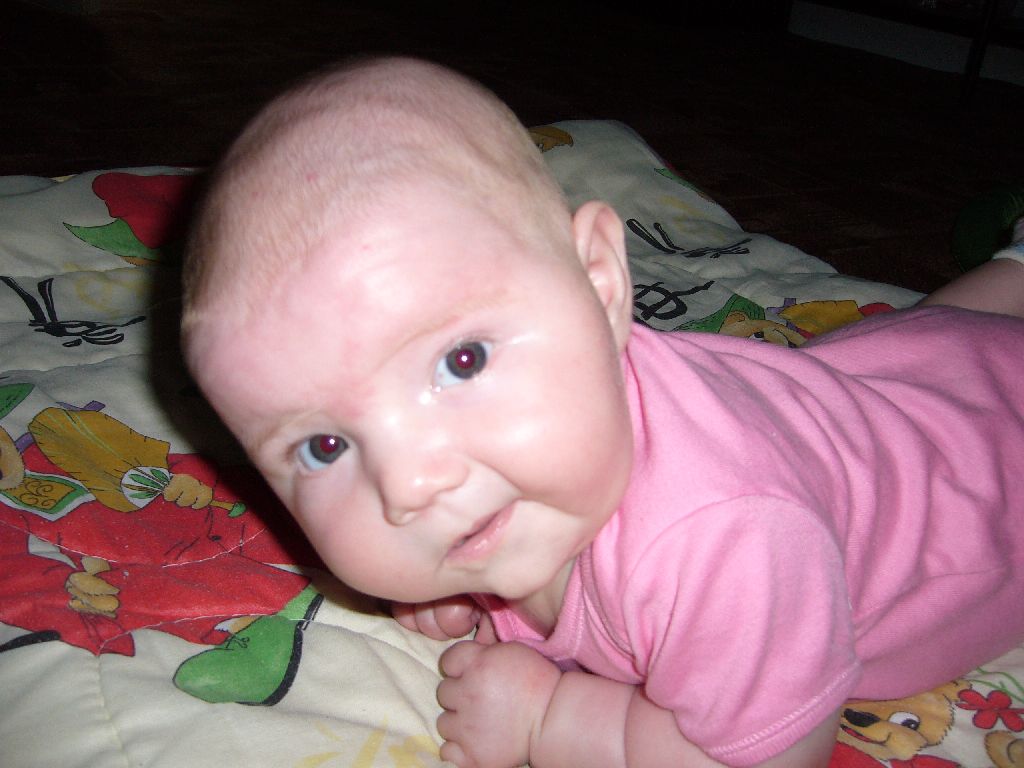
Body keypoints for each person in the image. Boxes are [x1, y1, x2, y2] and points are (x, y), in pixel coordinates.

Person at [180, 56, 1024, 768]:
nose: (410, 485)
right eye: (326, 446)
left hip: (995, 483)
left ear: (602, 284)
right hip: (897, 379)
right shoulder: (540, 446)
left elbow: (772, 753)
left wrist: (555, 719)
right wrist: (462, 582)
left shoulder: (727, 537)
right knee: (925, 346)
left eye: (461, 361)